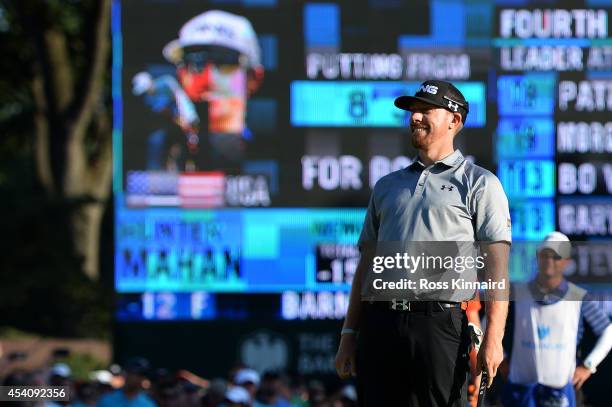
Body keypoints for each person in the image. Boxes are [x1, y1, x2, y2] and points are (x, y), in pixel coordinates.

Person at [335, 80, 512, 406]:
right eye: (412, 111)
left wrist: (494, 338)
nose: (415, 118)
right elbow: (367, 267)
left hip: (441, 326)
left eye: (425, 110)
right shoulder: (387, 186)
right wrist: (349, 334)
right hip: (381, 324)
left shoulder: (480, 183)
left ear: (454, 120)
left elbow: (497, 270)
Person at [501, 232, 612, 407]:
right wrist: (501, 360)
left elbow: (608, 331)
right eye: (545, 254)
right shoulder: (516, 293)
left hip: (560, 393)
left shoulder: (579, 297)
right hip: (521, 391)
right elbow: (488, 326)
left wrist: (589, 366)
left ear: (567, 261)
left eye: (556, 256)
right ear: (538, 257)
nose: (550, 260)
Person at [162, 10, 264, 168]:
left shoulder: (270, 153)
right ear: (180, 74)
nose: (205, 79)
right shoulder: (162, 149)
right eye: (194, 63)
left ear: (253, 79)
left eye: (223, 63)